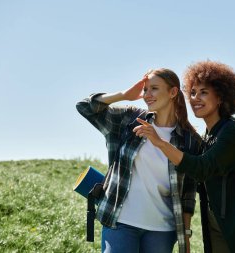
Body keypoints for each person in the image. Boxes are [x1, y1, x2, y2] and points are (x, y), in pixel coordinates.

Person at [134, 61, 235, 253]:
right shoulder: (209, 136)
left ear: (220, 97)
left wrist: (160, 143)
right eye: (192, 93)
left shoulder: (232, 132)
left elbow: (203, 168)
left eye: (203, 92)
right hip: (222, 227)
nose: (195, 98)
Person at [76, 68, 201, 253]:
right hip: (120, 220)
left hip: (162, 230)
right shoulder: (130, 118)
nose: (147, 95)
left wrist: (186, 236)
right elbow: (84, 106)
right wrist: (123, 95)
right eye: (145, 89)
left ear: (173, 92)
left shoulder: (190, 140)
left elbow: (188, 194)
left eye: (154, 89)